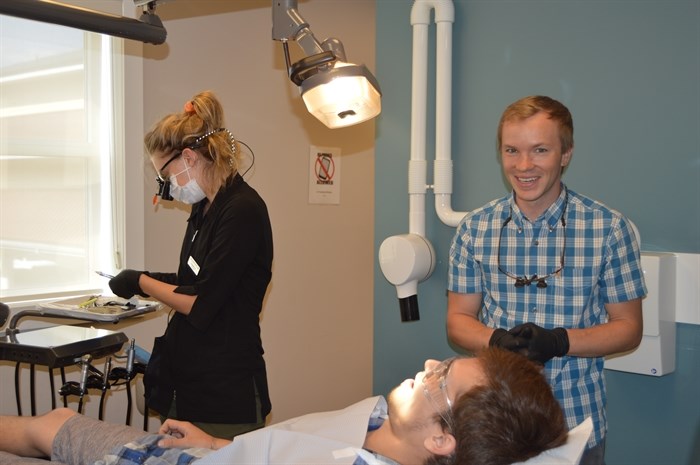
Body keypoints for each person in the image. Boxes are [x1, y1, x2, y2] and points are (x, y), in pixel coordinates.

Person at [446, 95, 647, 465]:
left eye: (540, 150)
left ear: (565, 153)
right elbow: (458, 321)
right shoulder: (473, 229)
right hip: (493, 424)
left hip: (575, 423)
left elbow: (629, 328)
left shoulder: (609, 229)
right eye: (512, 150)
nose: (524, 165)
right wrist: (496, 340)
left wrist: (559, 341)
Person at [0, 348, 585, 465]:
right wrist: (222, 445)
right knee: (49, 426)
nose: (429, 367)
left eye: (441, 380)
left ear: (442, 439)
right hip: (214, 453)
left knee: (53, 428)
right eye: (442, 363)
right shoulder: (389, 422)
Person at [107, 91, 273, 439]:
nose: (167, 187)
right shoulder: (204, 210)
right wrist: (145, 277)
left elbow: (199, 303)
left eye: (165, 175)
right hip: (192, 381)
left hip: (226, 391)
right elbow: (191, 281)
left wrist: (141, 282)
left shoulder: (242, 211)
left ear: (188, 157)